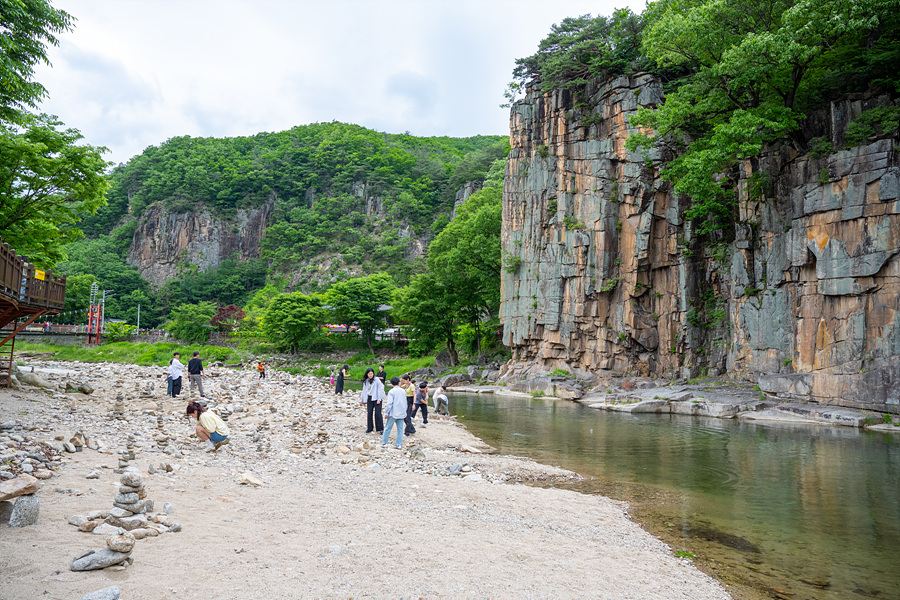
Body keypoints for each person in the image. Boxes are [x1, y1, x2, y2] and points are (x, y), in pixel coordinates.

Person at [382, 376, 407, 449]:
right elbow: (405, 402)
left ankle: (384, 443)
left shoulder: (391, 391)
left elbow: (389, 403)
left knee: (388, 428)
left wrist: (386, 413)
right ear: (399, 382)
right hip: (401, 412)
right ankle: (398, 444)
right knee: (400, 429)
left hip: (393, 412)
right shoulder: (403, 391)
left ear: (391, 383)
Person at [359, 367, 385, 433]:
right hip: (369, 398)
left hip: (377, 398)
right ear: (367, 374)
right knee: (369, 413)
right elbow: (364, 390)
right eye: (369, 374)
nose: (370, 375)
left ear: (373, 374)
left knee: (378, 413)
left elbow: (380, 390)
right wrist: (361, 400)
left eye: (371, 374)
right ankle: (370, 428)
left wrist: (379, 399)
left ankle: (380, 428)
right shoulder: (366, 381)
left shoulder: (377, 380)